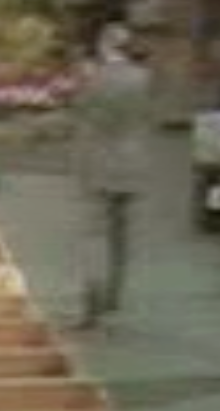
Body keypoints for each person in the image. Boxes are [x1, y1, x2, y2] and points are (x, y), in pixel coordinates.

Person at [67, 23, 155, 329]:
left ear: (104, 45)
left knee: (95, 233)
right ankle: (115, 293)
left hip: (97, 162)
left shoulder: (91, 77)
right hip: (130, 163)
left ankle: (92, 296)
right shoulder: (142, 78)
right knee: (121, 233)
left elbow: (81, 111)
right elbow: (146, 116)